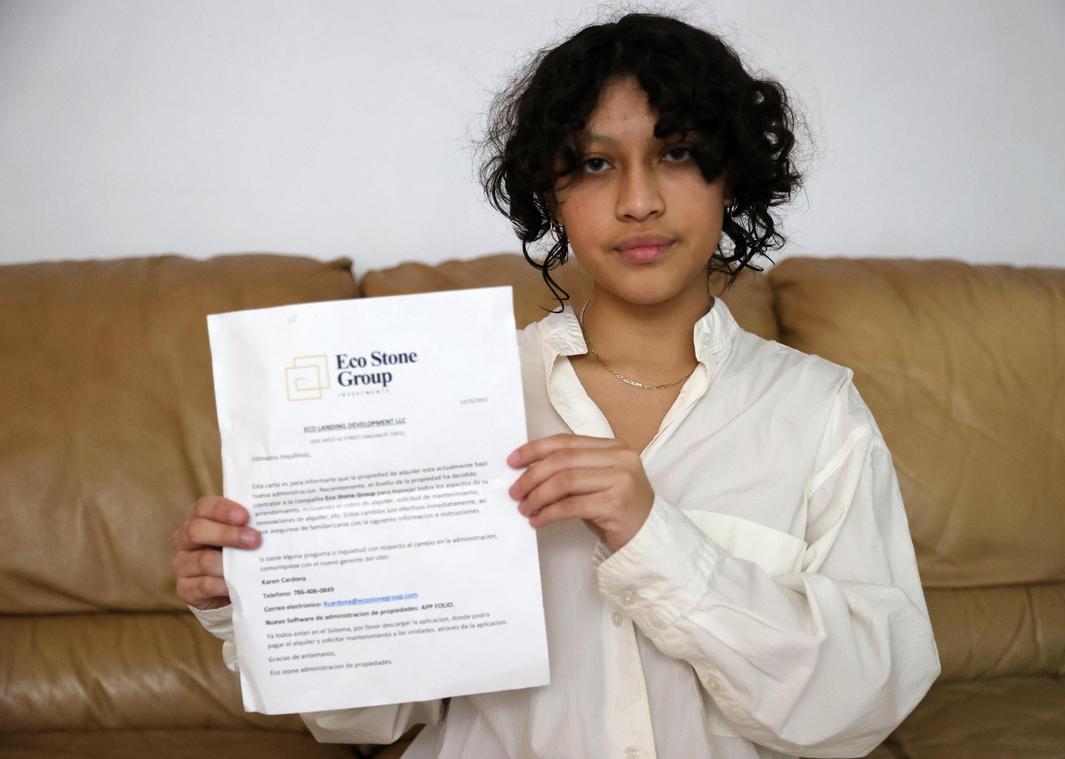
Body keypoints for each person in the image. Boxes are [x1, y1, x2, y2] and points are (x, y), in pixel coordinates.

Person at [171, 12, 940, 758]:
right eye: (597, 164)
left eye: (676, 153)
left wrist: (655, 537)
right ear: (553, 194)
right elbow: (370, 716)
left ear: (730, 174)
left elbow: (861, 707)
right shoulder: (454, 397)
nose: (638, 200)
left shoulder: (816, 411)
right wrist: (262, 602)